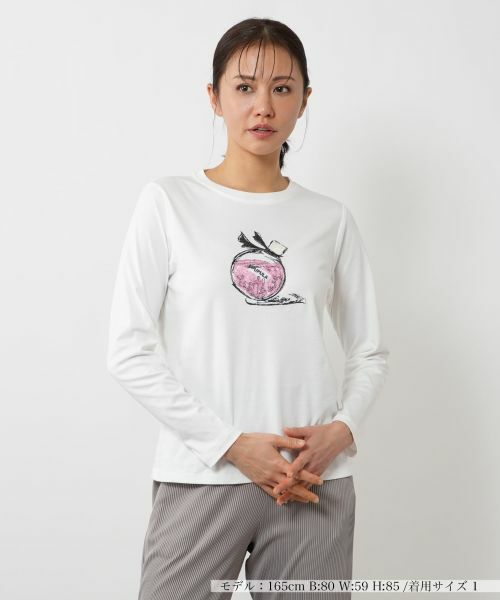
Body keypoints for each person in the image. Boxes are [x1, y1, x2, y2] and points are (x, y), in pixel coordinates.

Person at [106, 17, 389, 600]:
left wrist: (341, 431)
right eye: (244, 87)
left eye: (282, 88)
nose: (264, 106)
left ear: (304, 100)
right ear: (214, 97)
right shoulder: (169, 203)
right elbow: (128, 352)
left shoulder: (330, 219)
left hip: (311, 479)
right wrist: (232, 445)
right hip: (203, 473)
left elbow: (370, 351)